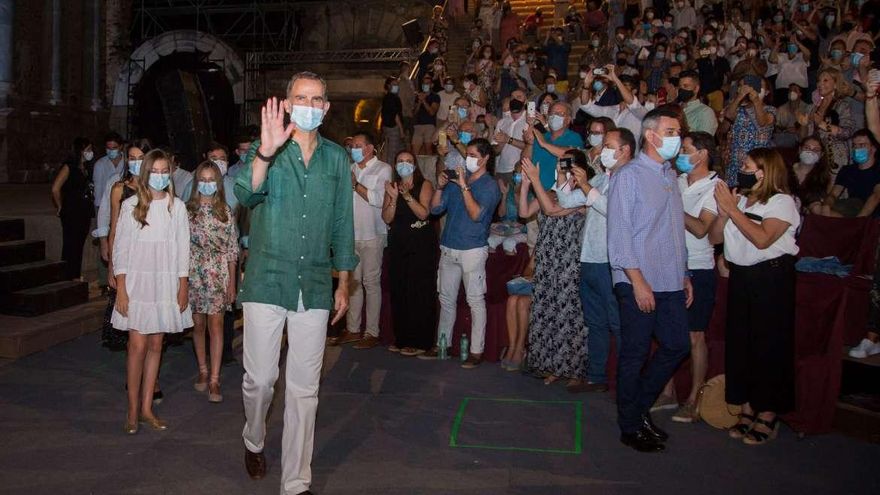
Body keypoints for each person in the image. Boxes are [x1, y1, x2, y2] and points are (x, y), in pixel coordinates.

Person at [233, 72, 357, 493]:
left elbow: (343, 222)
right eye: (300, 97)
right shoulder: (264, 148)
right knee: (261, 380)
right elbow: (243, 194)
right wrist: (264, 155)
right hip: (266, 280)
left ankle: (296, 481)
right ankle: (254, 437)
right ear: (286, 104)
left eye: (316, 98)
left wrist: (344, 282)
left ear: (325, 108)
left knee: (305, 390)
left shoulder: (338, 159)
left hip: (316, 284)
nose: (309, 104)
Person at [607, 107, 693, 453]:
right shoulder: (628, 176)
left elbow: (674, 231)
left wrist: (684, 272)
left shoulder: (669, 175)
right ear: (651, 135)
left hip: (670, 279)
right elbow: (620, 235)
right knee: (635, 353)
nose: (678, 138)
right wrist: (637, 280)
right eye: (671, 131)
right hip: (638, 278)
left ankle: (638, 408)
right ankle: (630, 424)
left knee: (677, 345)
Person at [709, 148, 799, 446]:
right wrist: (725, 213)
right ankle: (746, 407)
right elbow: (715, 238)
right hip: (742, 277)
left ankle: (768, 413)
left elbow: (762, 238)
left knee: (769, 345)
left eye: (747, 165)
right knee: (741, 343)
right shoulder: (741, 198)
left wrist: (733, 211)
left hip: (771, 277)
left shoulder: (782, 202)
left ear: (763, 171)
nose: (741, 169)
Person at [112, 149, 193, 434]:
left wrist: (182, 286)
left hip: (165, 282)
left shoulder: (178, 207)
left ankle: (147, 408)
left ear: (170, 174)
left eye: (164, 172)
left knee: (157, 345)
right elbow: (120, 249)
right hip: (138, 283)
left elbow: (183, 249)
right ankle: (132, 409)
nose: (159, 177)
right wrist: (121, 288)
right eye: (154, 172)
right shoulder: (131, 206)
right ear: (146, 174)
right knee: (137, 346)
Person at [557, 128, 636, 393]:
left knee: (618, 322)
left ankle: (626, 382)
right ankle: (596, 375)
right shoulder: (602, 178)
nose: (603, 151)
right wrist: (565, 176)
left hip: (611, 261)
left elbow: (614, 212)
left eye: (609, 146)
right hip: (589, 257)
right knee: (595, 322)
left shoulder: (630, 178)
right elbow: (568, 199)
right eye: (603, 146)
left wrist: (588, 186)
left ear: (625, 150)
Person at [423, 138, 501, 368]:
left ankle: (476, 351)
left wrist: (464, 186)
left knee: (475, 300)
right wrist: (439, 186)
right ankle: (443, 344)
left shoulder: (489, 185)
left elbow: (477, 214)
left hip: (472, 249)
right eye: (468, 154)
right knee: (446, 299)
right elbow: (436, 208)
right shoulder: (457, 180)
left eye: (474, 155)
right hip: (449, 246)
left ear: (486, 158)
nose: (469, 159)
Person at [661, 132, 721, 422]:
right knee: (666, 331)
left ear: (703, 153)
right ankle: (667, 390)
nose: (681, 154)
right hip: (669, 263)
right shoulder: (677, 180)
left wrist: (672, 204)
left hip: (698, 266)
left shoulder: (715, 187)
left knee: (694, 335)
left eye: (686, 149)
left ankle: (695, 397)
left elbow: (701, 229)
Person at [518, 152, 589, 387]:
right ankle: (553, 366)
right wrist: (527, 184)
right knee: (546, 311)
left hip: (570, 262)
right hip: (548, 261)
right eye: (561, 162)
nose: (562, 165)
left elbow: (550, 210)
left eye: (568, 162)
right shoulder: (548, 191)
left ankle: (575, 370)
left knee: (569, 315)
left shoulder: (581, 196)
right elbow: (524, 212)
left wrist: (537, 181)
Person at [186, 161, 239, 403]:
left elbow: (231, 249)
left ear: (218, 184)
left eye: (211, 180)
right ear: (197, 183)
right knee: (198, 326)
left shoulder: (225, 211)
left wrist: (232, 284)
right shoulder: (187, 211)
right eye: (203, 180)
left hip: (218, 273)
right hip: (194, 273)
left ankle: (215, 379)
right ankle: (202, 369)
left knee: (216, 326)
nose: (207, 185)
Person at [337, 132, 392, 350]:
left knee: (371, 283)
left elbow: (379, 200)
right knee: (353, 284)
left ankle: (372, 332)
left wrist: (355, 185)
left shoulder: (383, 169)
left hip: (373, 235)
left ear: (370, 148)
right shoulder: (350, 168)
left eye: (358, 146)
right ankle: (352, 329)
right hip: (352, 235)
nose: (354, 150)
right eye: (352, 146)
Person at [381, 150, 437, 356]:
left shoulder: (425, 184)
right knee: (399, 291)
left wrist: (406, 195)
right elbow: (386, 218)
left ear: (415, 165)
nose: (404, 164)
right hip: (398, 244)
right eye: (400, 161)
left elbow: (424, 213)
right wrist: (394, 198)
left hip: (420, 245)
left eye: (408, 161)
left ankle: (421, 341)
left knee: (419, 292)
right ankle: (402, 337)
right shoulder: (391, 187)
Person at [51, 137, 94, 280]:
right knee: (70, 244)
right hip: (71, 211)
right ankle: (67, 276)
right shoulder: (69, 167)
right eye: (87, 150)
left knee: (79, 244)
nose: (90, 152)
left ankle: (75, 274)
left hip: (84, 211)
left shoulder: (87, 167)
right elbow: (55, 188)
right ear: (80, 151)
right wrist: (60, 206)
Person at [722, 75, 777, 186]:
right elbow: (728, 115)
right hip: (735, 164)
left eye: (758, 86)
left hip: (756, 165)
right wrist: (740, 96)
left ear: (766, 92)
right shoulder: (739, 108)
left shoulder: (770, 110)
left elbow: (762, 123)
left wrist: (756, 101)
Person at [92, 132, 126, 291]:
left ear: (121, 147)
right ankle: (105, 282)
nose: (111, 150)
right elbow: (100, 193)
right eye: (108, 147)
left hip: (123, 211)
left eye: (115, 147)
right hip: (107, 206)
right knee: (107, 247)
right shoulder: (100, 164)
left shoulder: (127, 163)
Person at [525, 101, 585, 190]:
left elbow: (572, 156)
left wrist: (544, 144)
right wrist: (529, 144)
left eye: (560, 114)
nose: (554, 116)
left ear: (568, 120)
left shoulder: (574, 137)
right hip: (532, 189)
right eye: (552, 113)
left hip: (555, 193)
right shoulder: (542, 136)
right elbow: (524, 160)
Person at [821, 130, 880, 217]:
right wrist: (826, 205)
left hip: (874, 216)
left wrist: (859, 220)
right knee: (818, 208)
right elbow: (834, 194)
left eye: (862, 145)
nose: (857, 149)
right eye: (854, 146)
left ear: (873, 148)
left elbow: (876, 196)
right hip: (853, 210)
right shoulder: (847, 170)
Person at [493, 88, 528, 183]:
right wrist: (500, 144)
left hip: (521, 170)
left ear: (526, 101)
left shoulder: (530, 121)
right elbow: (495, 150)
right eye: (512, 97)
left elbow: (532, 146)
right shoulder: (502, 122)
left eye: (519, 97)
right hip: (501, 170)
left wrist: (508, 139)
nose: (515, 100)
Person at [791, 135, 831, 215]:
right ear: (800, 150)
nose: (810, 152)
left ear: (821, 154)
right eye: (807, 148)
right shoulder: (785, 170)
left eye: (816, 150)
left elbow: (817, 201)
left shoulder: (823, 177)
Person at [676, 70, 718, 135]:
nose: (682, 89)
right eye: (680, 86)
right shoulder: (674, 107)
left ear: (696, 89)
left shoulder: (705, 112)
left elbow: (704, 141)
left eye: (686, 86)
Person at [412, 74, 441, 155]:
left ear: (431, 85)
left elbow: (432, 112)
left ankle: (429, 167)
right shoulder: (418, 96)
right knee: (415, 151)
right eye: (424, 84)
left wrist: (424, 100)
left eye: (427, 83)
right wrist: (419, 102)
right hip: (418, 125)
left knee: (428, 150)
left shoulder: (435, 96)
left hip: (429, 125)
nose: (425, 85)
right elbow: (414, 112)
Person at [381, 76, 405, 164]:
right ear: (388, 85)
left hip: (388, 127)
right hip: (393, 128)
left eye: (397, 84)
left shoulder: (388, 97)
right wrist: (401, 130)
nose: (396, 86)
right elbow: (395, 115)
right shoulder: (391, 98)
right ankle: (390, 174)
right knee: (392, 154)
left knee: (397, 151)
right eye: (393, 84)